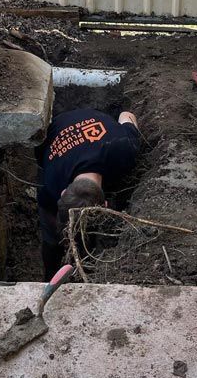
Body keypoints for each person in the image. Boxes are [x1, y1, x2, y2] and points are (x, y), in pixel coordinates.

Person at [36, 107, 141, 278]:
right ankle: (50, 272)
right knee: (51, 239)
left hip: (89, 119)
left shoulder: (124, 149)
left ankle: (86, 264)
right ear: (105, 205)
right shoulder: (50, 182)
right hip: (58, 124)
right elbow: (126, 115)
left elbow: (126, 114)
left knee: (83, 235)